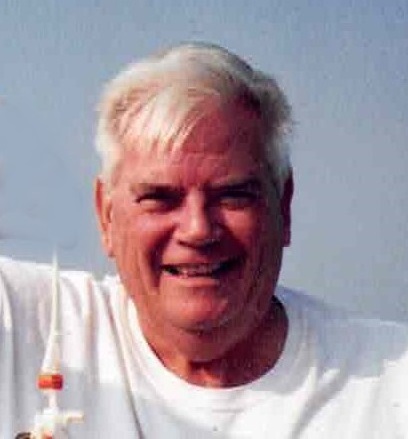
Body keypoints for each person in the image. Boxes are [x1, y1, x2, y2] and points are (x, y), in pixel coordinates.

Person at [1, 42, 408, 438]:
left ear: (283, 207)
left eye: (232, 196)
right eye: (159, 198)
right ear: (106, 215)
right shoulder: (27, 323)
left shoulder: (393, 382)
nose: (197, 229)